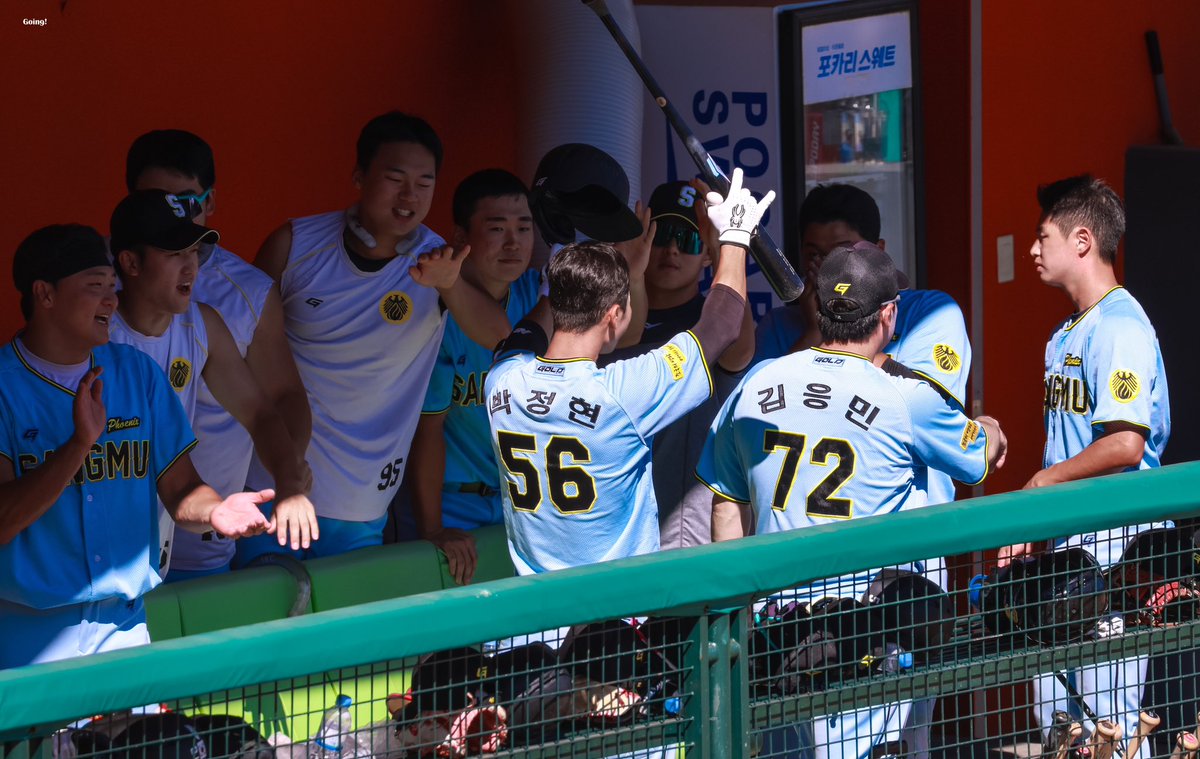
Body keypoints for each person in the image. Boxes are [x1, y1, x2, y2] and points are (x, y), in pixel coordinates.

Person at [697, 244, 1007, 759]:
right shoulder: (906, 395)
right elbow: (978, 458)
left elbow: (726, 507)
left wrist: (740, 619)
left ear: (819, 309)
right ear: (888, 315)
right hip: (862, 636)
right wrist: (991, 429)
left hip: (778, 634)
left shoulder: (758, 381)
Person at [0, 224, 272, 669]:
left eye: (112, 286)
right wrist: (78, 446)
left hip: (125, 630)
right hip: (28, 637)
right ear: (44, 294)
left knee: (139, 740)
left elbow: (181, 488)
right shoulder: (4, 387)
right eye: (95, 287)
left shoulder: (137, 374)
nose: (111, 299)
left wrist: (216, 511)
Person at [240, 111, 504, 563]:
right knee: (267, 624)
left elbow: (498, 334)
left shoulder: (440, 260)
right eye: (395, 178)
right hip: (272, 482)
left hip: (363, 503)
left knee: (347, 632)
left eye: (425, 182)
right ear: (359, 176)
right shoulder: (294, 244)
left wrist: (449, 284)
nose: (410, 196)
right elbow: (242, 353)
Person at [485, 167, 772, 576]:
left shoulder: (504, 379)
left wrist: (570, 274)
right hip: (612, 619)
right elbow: (723, 325)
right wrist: (736, 236)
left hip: (537, 614)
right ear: (615, 314)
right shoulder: (621, 391)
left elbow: (525, 333)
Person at [999, 175, 1170, 757]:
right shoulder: (1065, 331)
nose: (1032, 249)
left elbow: (1124, 443)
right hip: (1072, 542)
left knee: (1112, 721)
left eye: (1042, 236)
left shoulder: (1120, 325)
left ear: (1081, 240)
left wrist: (1042, 485)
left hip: (1119, 542)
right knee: (1060, 727)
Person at [754, 183, 970, 585]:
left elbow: (923, 407)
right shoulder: (779, 327)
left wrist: (834, 329)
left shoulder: (930, 312)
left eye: (842, 251)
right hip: (798, 570)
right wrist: (817, 327)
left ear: (879, 251)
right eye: (814, 254)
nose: (828, 267)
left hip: (904, 568)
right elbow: (759, 409)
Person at [125, 129, 311, 581]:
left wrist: (286, 480)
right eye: (155, 199)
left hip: (204, 525)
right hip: (109, 544)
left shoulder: (217, 310)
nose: (173, 211)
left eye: (185, 201)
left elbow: (276, 403)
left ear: (210, 202)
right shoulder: (95, 300)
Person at [403, 169, 542, 585]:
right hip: (453, 505)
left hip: (523, 502)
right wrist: (433, 529)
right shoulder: (435, 309)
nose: (514, 242)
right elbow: (430, 430)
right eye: (497, 229)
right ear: (461, 237)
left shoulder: (539, 293)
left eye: (524, 227)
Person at [602, 179, 754, 549]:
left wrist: (725, 249)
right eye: (663, 234)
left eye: (687, 240)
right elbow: (628, 338)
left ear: (705, 254)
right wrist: (631, 274)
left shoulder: (715, 318)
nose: (671, 249)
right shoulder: (608, 319)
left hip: (687, 527)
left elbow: (739, 350)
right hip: (615, 525)